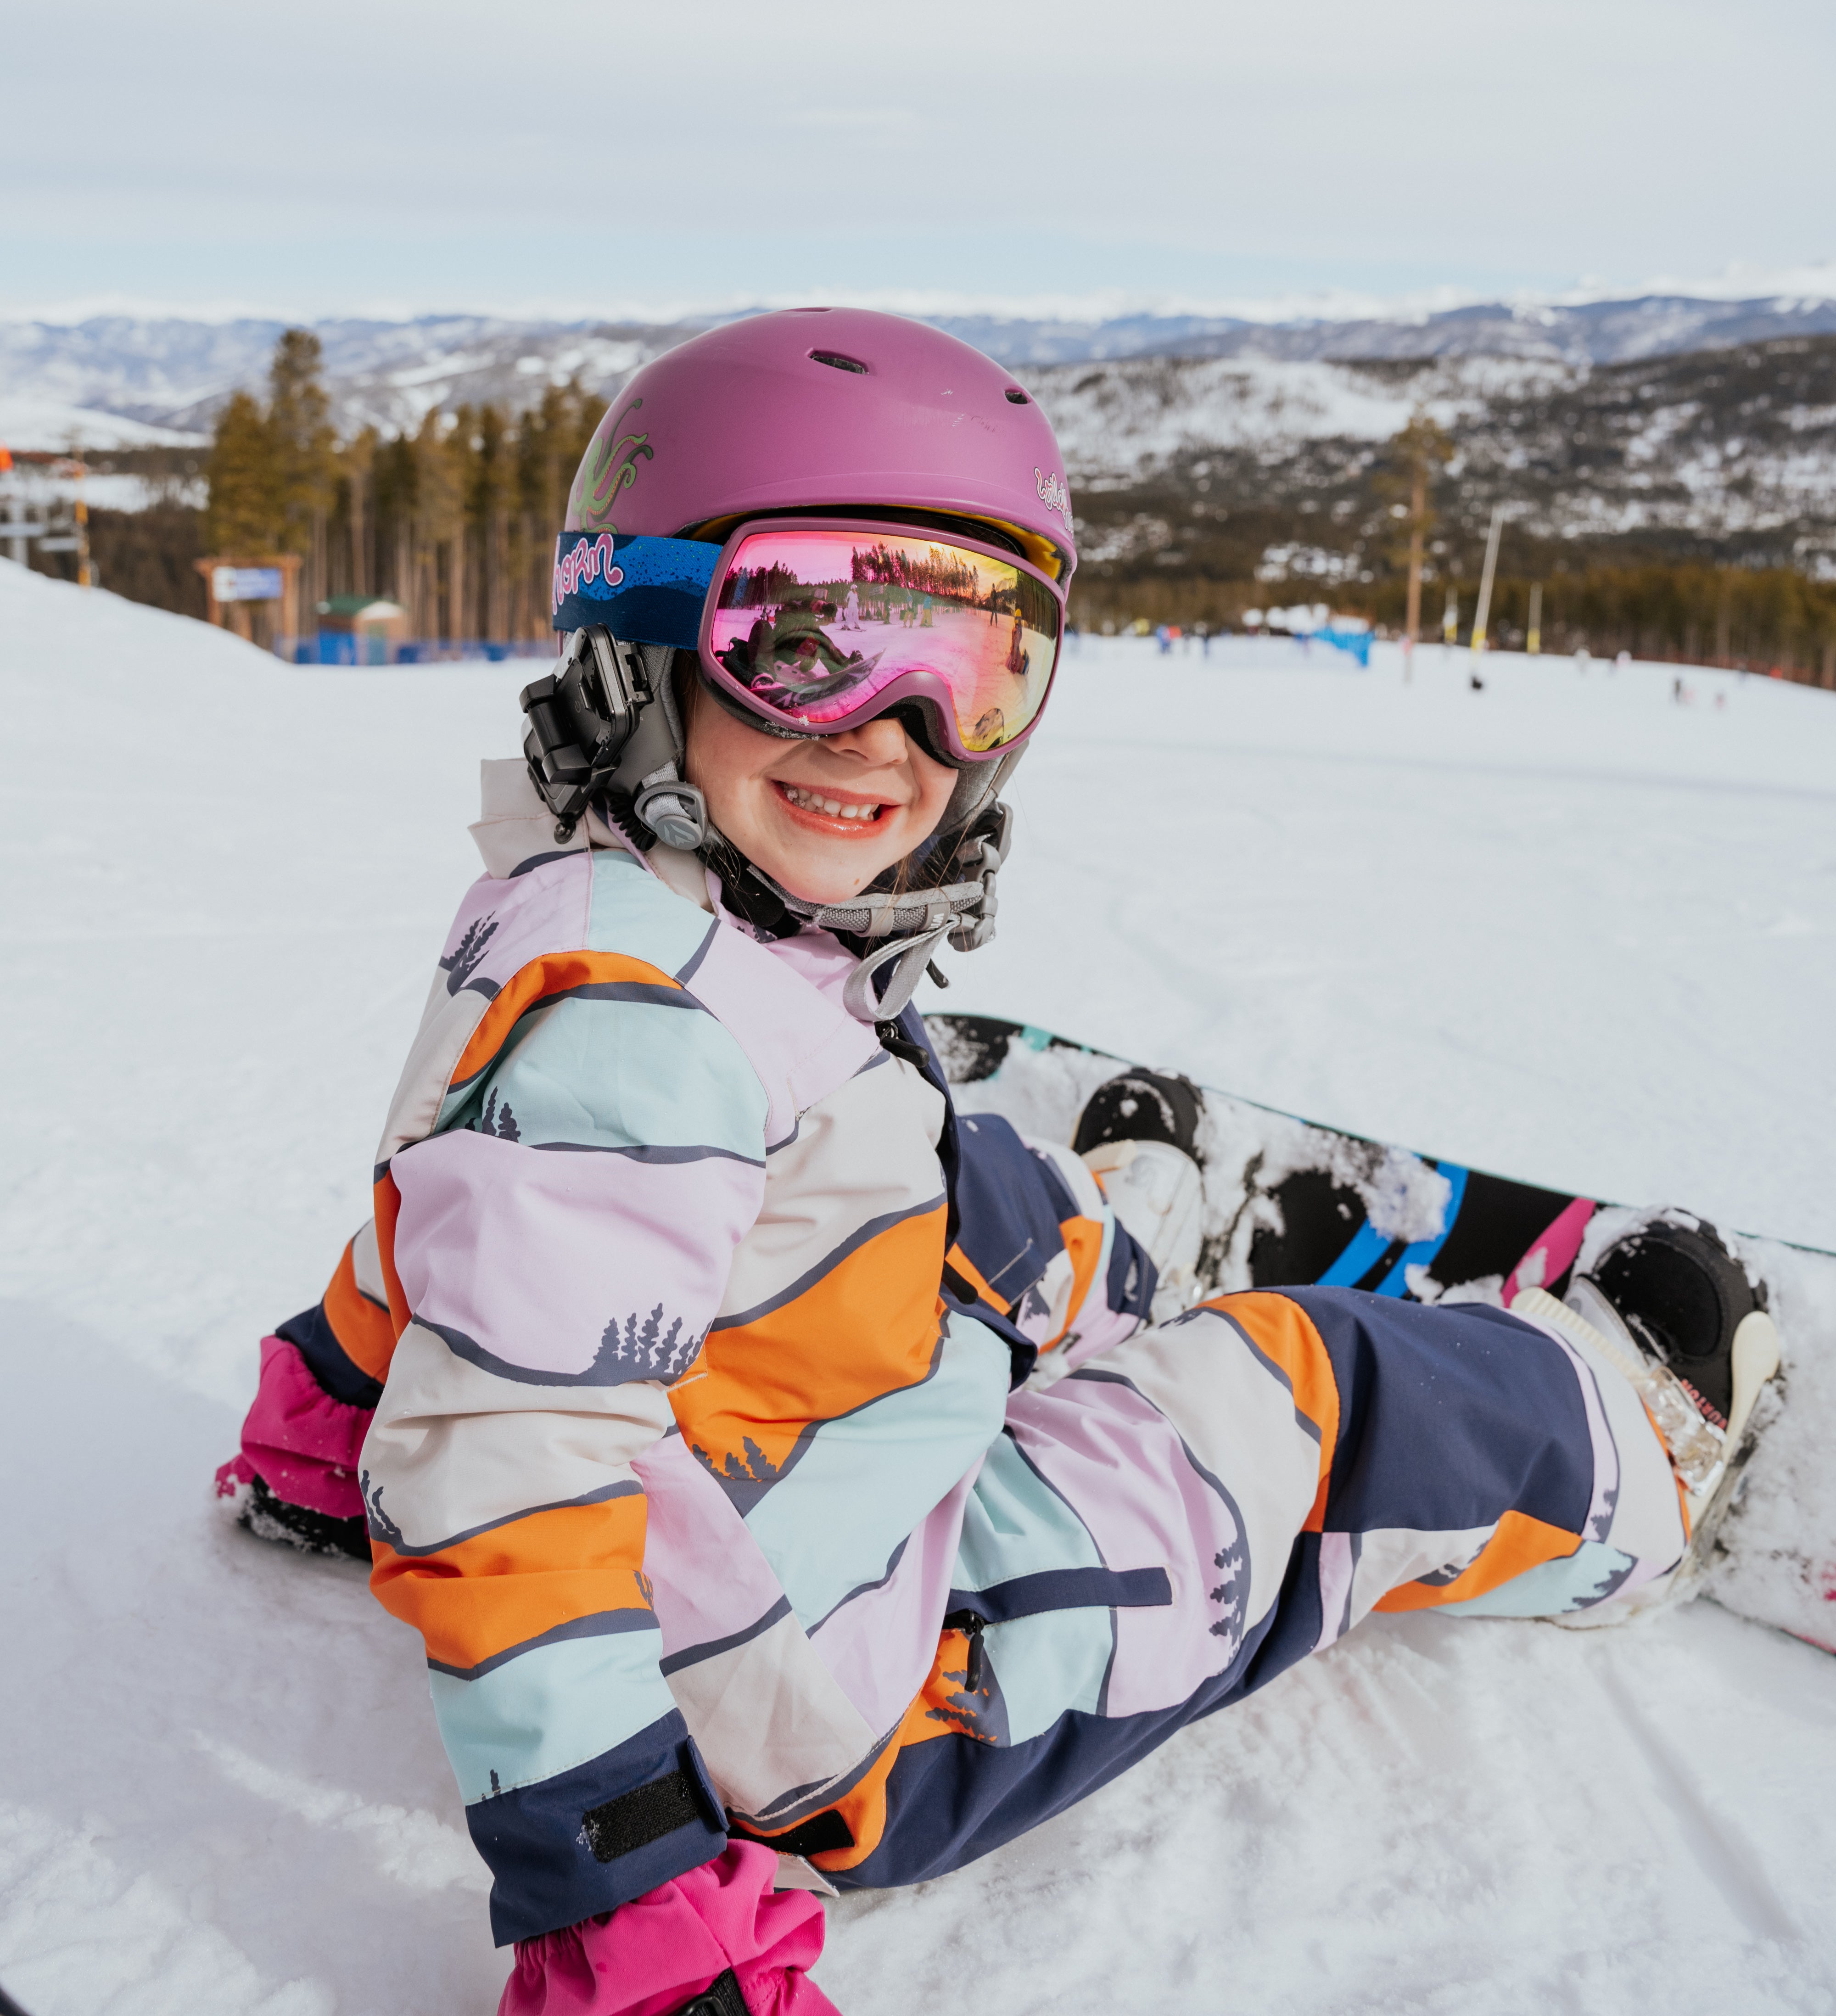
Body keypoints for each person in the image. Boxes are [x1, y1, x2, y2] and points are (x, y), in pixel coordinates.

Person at [215, 308, 1779, 2016]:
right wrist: (639, 1907)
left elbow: (474, 1236)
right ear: (638, 625)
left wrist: (333, 1411)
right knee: (1308, 1399)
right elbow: (511, 1463)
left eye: (974, 660)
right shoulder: (638, 1045)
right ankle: (1639, 1444)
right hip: (859, 1691)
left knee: (956, 1183)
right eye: (802, 639)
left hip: (795, 1407)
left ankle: (1105, 1245)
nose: (888, 730)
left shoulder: (564, 911)